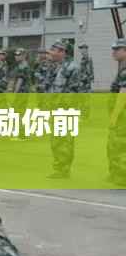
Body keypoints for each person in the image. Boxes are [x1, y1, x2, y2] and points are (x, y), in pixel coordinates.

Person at [47, 40, 80, 179]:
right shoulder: (57, 66)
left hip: (65, 110)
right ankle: (59, 167)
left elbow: (73, 92)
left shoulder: (72, 67)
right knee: (56, 140)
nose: (51, 53)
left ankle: (64, 169)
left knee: (65, 140)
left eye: (54, 50)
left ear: (62, 52)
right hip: (56, 109)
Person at [107, 38, 126, 186]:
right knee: (115, 144)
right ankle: (116, 173)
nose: (113, 52)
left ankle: (121, 177)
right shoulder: (122, 68)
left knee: (119, 145)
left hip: (122, 115)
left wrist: (114, 116)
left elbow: (123, 94)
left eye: (117, 49)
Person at [78, 43, 94, 119]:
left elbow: (89, 71)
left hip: (85, 83)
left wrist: (85, 79)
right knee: (83, 99)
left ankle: (85, 116)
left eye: (82, 48)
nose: (81, 50)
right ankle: (84, 115)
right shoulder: (83, 58)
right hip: (83, 82)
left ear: (86, 49)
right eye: (80, 49)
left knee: (85, 99)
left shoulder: (87, 59)